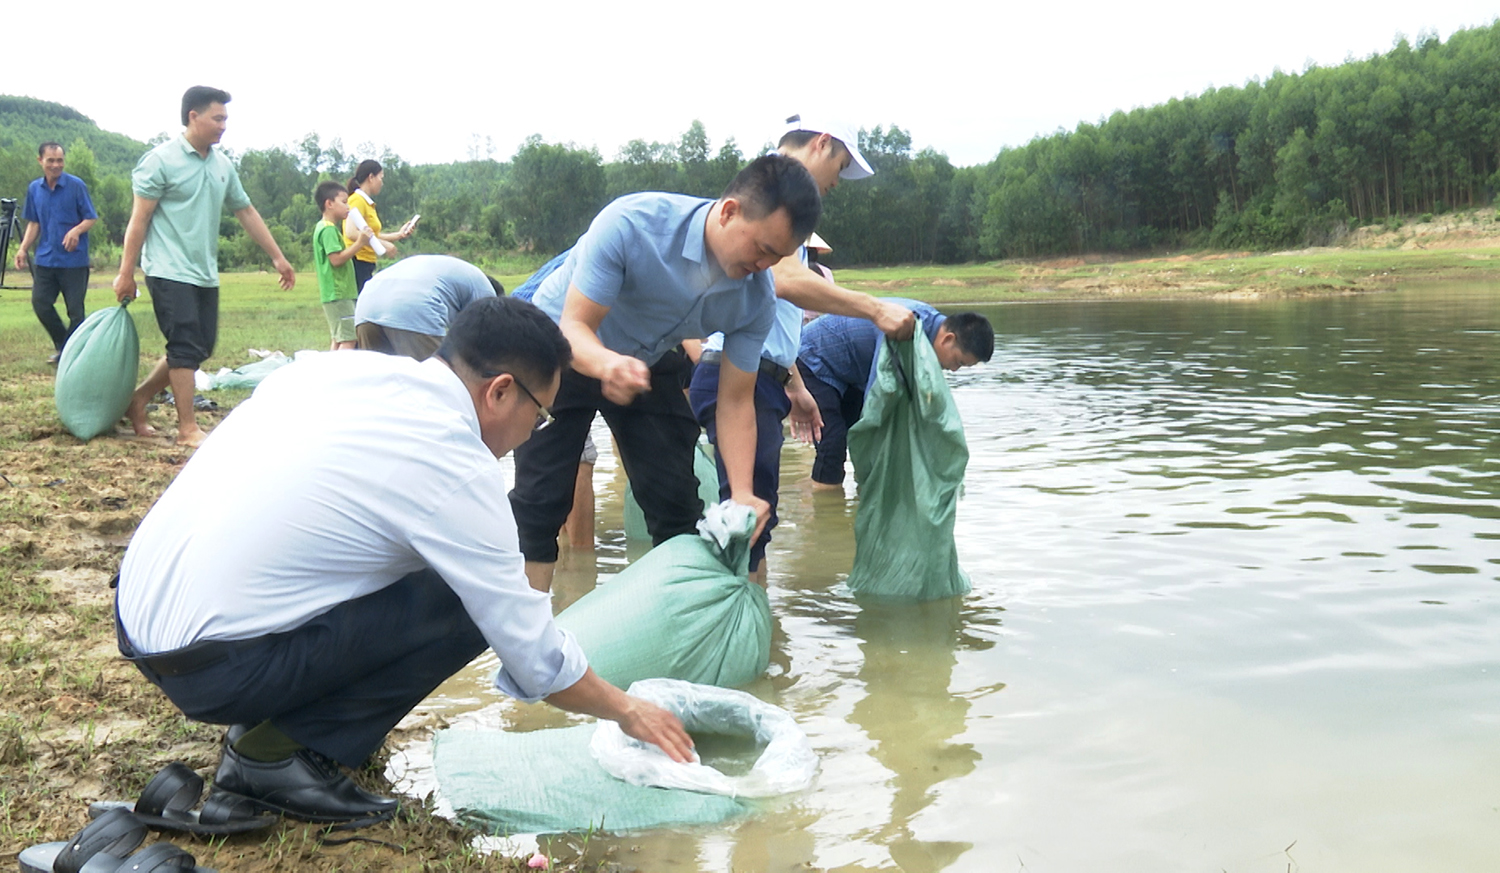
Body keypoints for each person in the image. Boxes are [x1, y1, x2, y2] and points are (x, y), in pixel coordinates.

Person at [113, 296, 694, 823]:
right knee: (469, 603)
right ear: (500, 391)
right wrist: (627, 710)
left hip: (139, 619)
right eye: (540, 415)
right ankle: (270, 759)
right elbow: (535, 656)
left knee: (395, 558)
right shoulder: (457, 464)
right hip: (215, 671)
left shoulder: (338, 369)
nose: (534, 433)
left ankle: (273, 718)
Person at [510, 154, 822, 593]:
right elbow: (575, 327)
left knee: (676, 505)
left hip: (645, 358)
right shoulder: (633, 225)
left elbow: (735, 400)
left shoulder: (756, 299)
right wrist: (607, 364)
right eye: (762, 249)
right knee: (540, 505)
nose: (764, 266)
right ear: (730, 211)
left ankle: (675, 638)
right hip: (562, 347)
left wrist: (742, 492)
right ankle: (527, 645)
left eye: (779, 257)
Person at [688, 116, 917, 583]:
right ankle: (747, 629)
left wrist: (795, 385)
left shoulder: (788, 214)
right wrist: (874, 309)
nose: (835, 183)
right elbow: (785, 281)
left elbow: (765, 313)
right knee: (746, 521)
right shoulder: (772, 200)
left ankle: (764, 635)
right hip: (739, 379)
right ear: (822, 143)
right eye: (839, 167)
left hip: (760, 373)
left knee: (756, 519)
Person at [113, 86, 296, 448]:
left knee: (199, 347)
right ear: (193, 117)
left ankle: (137, 400)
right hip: (166, 269)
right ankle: (187, 428)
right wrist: (125, 272)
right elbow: (139, 220)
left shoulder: (222, 164)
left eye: (226, 119)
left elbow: (245, 210)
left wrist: (277, 255)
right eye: (218, 118)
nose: (224, 126)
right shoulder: (160, 160)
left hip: (204, 272)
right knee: (183, 344)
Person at [798, 299, 994, 489]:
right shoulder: (903, 328)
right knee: (832, 441)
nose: (953, 370)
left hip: (852, 372)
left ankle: (855, 497)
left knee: (859, 437)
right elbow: (877, 394)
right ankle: (824, 509)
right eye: (958, 362)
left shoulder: (929, 336)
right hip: (814, 358)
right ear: (948, 339)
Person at [14, 141, 97, 364]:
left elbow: (90, 217)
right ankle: (65, 346)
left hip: (74, 261)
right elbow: (34, 223)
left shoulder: (76, 186)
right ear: (40, 161)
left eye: (60, 160)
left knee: (76, 314)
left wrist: (76, 231)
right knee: (40, 303)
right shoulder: (34, 189)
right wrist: (23, 249)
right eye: (51, 160)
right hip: (46, 259)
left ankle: (72, 356)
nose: (56, 165)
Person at [354, 254, 501, 361]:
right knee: (435, 381)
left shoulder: (461, 274)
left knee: (380, 383)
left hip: (367, 303)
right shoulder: (485, 289)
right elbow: (481, 337)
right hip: (410, 304)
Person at [311, 181, 371, 351]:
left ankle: (331, 374)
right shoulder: (328, 229)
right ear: (329, 204)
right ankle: (341, 374)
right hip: (339, 292)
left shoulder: (322, 228)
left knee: (338, 339)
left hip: (335, 293)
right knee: (349, 339)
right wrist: (360, 243)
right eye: (344, 202)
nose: (348, 207)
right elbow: (336, 259)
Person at [342, 160, 412, 293]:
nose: (382, 182)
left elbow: (372, 234)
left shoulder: (367, 203)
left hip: (366, 262)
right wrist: (384, 245)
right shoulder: (357, 200)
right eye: (381, 177)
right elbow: (350, 232)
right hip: (358, 261)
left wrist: (398, 235)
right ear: (371, 177)